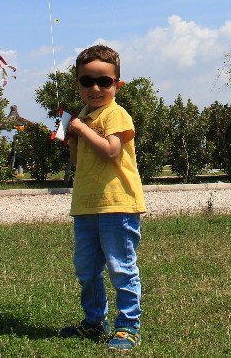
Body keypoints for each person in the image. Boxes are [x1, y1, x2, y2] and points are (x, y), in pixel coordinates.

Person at [59, 44, 145, 351]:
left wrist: (82, 128)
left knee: (121, 267)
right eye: (87, 81)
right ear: (77, 83)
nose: (95, 88)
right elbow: (81, 161)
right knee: (86, 268)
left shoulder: (115, 114)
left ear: (117, 85)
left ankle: (128, 326)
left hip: (118, 204)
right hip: (86, 205)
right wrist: (72, 137)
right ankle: (94, 323)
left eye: (104, 81)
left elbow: (111, 151)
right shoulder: (83, 114)